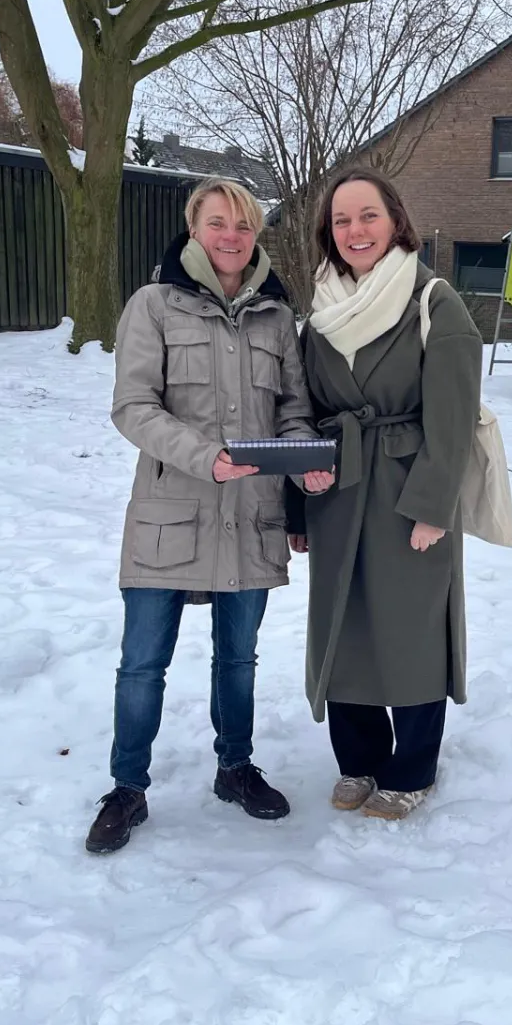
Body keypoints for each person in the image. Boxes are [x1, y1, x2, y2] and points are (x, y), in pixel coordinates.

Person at [86, 177, 334, 854]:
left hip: (250, 516)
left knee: (238, 659)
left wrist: (303, 462)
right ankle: (127, 788)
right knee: (142, 664)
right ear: (193, 229)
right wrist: (205, 457)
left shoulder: (277, 318)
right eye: (218, 223)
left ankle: (235, 768)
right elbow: (133, 407)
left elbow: (293, 412)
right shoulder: (153, 306)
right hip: (170, 515)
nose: (232, 236)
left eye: (244, 225)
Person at [291, 168, 483, 821]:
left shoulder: (433, 303)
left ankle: (413, 768)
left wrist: (433, 507)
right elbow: (303, 413)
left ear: (396, 221)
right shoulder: (318, 314)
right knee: (345, 627)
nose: (355, 230)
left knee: (411, 631)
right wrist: (297, 505)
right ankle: (359, 759)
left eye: (368, 215)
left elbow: (453, 419)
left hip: (407, 492)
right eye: (341, 219)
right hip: (336, 492)